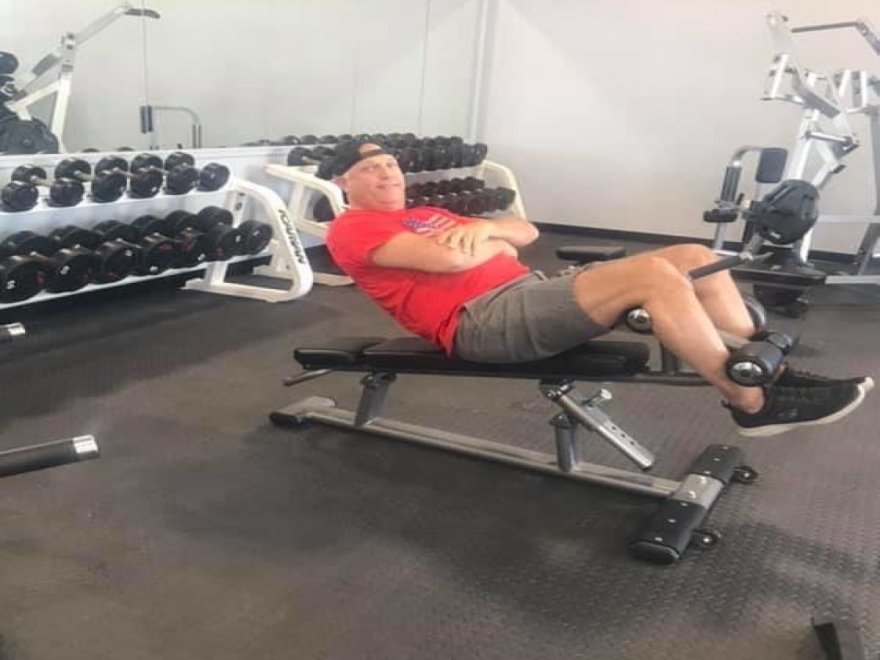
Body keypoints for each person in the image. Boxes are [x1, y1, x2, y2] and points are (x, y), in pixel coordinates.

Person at [324, 140, 871, 437]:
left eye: (391, 164)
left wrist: (489, 232)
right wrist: (493, 241)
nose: (388, 173)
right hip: (481, 322)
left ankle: (768, 370)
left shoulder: (428, 213)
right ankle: (749, 400)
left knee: (694, 256)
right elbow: (448, 260)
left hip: (529, 292)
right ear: (344, 182)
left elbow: (525, 232)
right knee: (655, 276)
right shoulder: (352, 228)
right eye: (371, 170)